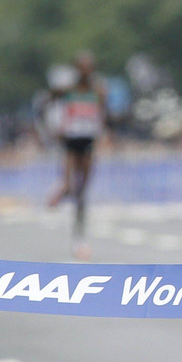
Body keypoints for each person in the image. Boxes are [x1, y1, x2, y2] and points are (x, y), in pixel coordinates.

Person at [44, 50, 106, 260]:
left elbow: (104, 115)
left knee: (82, 194)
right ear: (76, 69)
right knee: (70, 185)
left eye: (89, 67)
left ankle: (79, 237)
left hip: (88, 143)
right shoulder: (67, 90)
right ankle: (61, 190)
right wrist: (52, 129)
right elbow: (45, 105)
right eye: (82, 67)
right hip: (70, 144)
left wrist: (105, 133)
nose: (86, 71)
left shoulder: (98, 91)